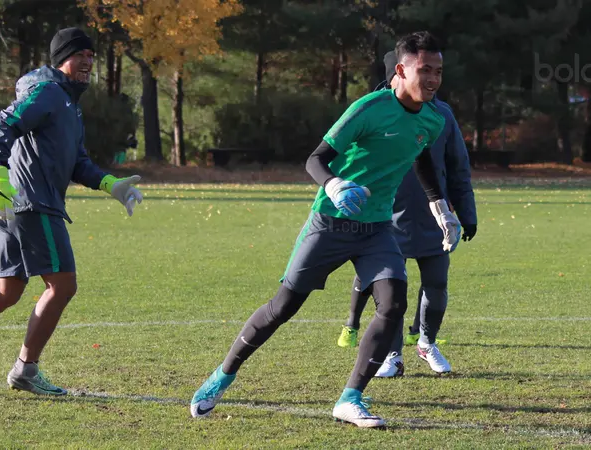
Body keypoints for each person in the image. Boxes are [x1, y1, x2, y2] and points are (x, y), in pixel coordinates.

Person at [189, 31, 457, 428]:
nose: (433, 79)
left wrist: (440, 206)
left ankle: (351, 398)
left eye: (438, 71)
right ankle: (222, 375)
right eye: (424, 70)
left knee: (393, 303)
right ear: (401, 70)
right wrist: (335, 185)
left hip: (377, 229)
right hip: (330, 223)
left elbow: (419, 157)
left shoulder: (434, 118)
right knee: (283, 307)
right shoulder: (367, 109)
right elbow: (316, 159)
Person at [0, 27, 143, 399]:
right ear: (62, 59)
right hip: (30, 202)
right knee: (62, 285)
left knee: (7, 290)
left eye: (93, 56)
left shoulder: (70, 106)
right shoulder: (48, 92)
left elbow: (78, 163)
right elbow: (2, 124)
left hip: (17, 203)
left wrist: (112, 184)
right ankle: (25, 370)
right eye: (81, 55)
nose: (89, 61)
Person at [336, 51, 478, 378]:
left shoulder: (441, 115)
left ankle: (426, 343)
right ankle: (393, 355)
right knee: (392, 290)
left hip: (435, 217)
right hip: (386, 218)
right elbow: (355, 161)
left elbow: (458, 166)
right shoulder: (375, 112)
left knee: (437, 284)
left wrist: (466, 212)